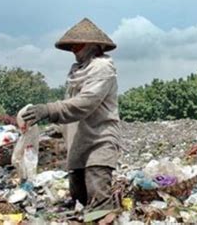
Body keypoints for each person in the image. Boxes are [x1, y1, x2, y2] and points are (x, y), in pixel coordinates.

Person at [21, 18, 122, 212]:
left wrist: (49, 110)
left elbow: (85, 103)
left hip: (99, 139)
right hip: (78, 142)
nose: (75, 50)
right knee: (79, 197)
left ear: (93, 46)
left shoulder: (102, 68)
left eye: (79, 45)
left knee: (98, 199)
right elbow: (70, 105)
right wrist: (55, 128)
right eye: (73, 46)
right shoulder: (76, 71)